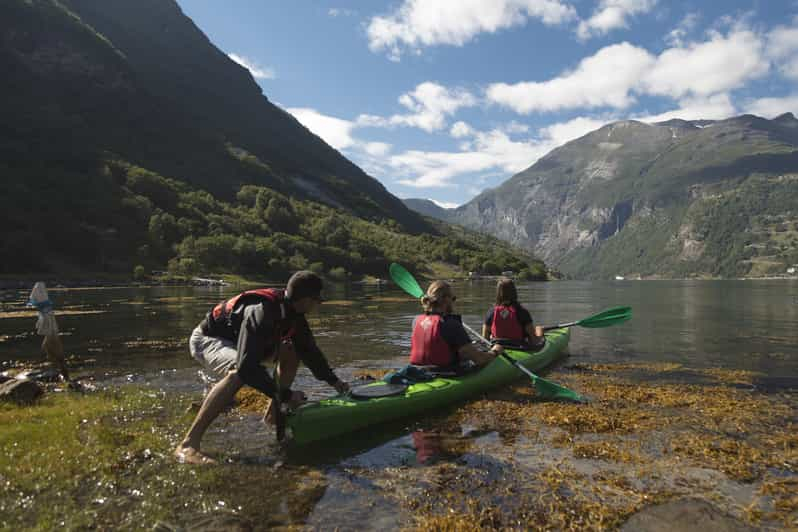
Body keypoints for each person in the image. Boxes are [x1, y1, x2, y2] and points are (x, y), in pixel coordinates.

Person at [175, 271, 349, 464]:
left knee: (292, 351)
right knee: (238, 372)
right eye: (318, 300)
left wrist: (335, 382)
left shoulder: (294, 314)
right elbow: (247, 368)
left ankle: (273, 415)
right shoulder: (261, 312)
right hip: (208, 340)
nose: (318, 305)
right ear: (307, 300)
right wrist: (287, 395)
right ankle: (188, 444)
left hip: (242, 343)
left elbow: (310, 353)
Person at [410, 280, 503, 368]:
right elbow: (479, 359)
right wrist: (495, 351)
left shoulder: (416, 321)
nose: (454, 302)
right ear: (446, 300)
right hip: (446, 373)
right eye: (453, 298)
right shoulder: (451, 324)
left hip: (418, 371)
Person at [482, 278, 544, 349]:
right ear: (514, 292)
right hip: (519, 347)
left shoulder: (491, 312)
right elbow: (535, 341)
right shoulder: (522, 312)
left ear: (498, 293)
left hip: (497, 346)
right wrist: (540, 332)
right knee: (538, 328)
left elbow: (484, 339)